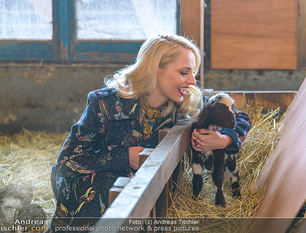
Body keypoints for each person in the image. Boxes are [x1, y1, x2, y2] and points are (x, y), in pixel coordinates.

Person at [48, 34, 251, 231]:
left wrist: (225, 140)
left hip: (147, 205)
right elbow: (67, 163)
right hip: (91, 201)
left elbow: (241, 117)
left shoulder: (190, 102)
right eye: (184, 73)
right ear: (155, 69)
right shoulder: (104, 103)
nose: (192, 81)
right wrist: (125, 157)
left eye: (193, 73)